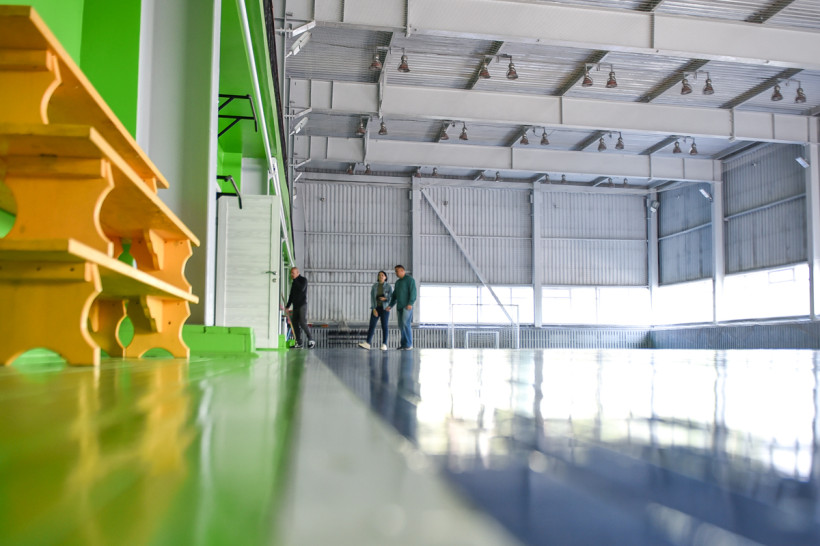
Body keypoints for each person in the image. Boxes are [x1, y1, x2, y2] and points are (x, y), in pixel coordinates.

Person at [359, 271, 393, 351]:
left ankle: (384, 344)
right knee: (372, 325)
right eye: (379, 275)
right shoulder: (374, 286)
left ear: (385, 277)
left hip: (385, 308)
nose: (381, 276)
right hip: (376, 308)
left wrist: (386, 299)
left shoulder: (388, 286)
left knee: (384, 326)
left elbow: (392, 297)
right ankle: (368, 343)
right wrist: (374, 309)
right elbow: (372, 298)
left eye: (382, 275)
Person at [386, 265, 416, 350]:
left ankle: (409, 344)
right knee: (401, 326)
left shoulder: (410, 280)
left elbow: (413, 292)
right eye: (395, 271)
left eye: (397, 271)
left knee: (406, 324)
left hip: (407, 307)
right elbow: (394, 296)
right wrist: (390, 305)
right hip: (399, 307)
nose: (396, 273)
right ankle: (404, 344)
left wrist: (410, 303)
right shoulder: (398, 283)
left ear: (403, 270)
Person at [285, 266, 315, 348]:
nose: (292, 275)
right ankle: (299, 342)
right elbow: (291, 295)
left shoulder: (303, 280)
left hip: (302, 305)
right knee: (294, 323)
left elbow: (302, 289)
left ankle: (311, 340)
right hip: (295, 306)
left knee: (302, 322)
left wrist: (295, 280)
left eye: (293, 273)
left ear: (298, 273)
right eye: (291, 273)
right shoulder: (294, 283)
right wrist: (287, 306)